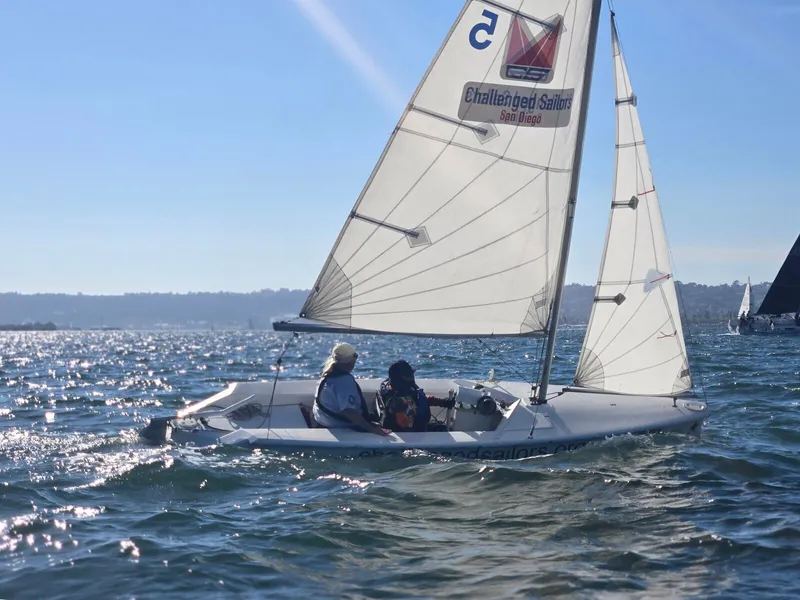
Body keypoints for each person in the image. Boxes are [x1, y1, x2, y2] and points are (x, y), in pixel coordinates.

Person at [313, 342, 390, 436]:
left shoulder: (327, 375)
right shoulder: (345, 381)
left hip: (323, 423)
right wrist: (373, 429)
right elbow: (349, 412)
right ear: (351, 360)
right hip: (340, 428)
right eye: (355, 356)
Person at [377, 359, 454, 432]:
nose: (413, 377)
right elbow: (409, 429)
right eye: (410, 375)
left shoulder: (397, 390)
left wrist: (442, 402)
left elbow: (420, 399)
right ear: (403, 379)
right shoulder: (400, 403)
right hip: (408, 438)